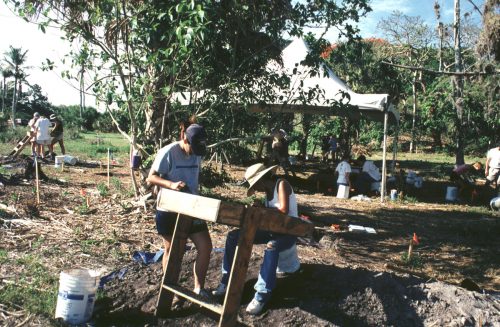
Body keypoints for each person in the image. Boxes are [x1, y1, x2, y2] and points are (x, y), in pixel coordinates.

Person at [213, 163, 298, 315]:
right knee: (233, 236)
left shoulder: (282, 185)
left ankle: (262, 295)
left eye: (255, 184)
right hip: (272, 231)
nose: (255, 188)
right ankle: (226, 280)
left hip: (289, 233)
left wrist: (262, 209)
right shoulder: (267, 193)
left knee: (272, 246)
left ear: (261, 179)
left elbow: (284, 211)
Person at [146, 123, 212, 298]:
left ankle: (199, 288)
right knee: (174, 249)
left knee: (205, 246)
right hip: (169, 208)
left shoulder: (197, 152)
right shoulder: (169, 152)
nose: (195, 153)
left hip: (192, 206)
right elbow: (150, 177)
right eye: (193, 147)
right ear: (185, 138)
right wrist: (171, 185)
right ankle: (170, 290)